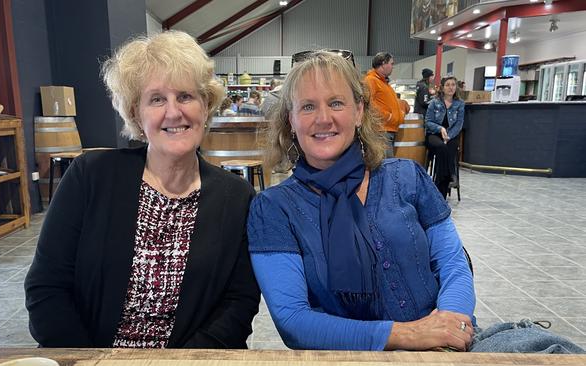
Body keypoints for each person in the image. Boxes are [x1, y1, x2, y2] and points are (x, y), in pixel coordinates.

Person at [247, 50, 584, 354]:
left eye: (336, 103)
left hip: (446, 344)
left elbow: (453, 263)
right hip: (348, 357)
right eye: (308, 106)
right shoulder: (274, 209)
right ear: (290, 119)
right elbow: (293, 321)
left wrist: (450, 324)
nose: (323, 118)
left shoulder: (406, 176)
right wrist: (409, 335)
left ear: (360, 111)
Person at [25, 30, 260, 349]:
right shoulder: (89, 177)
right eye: (157, 99)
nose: (174, 112)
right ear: (135, 112)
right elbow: (46, 289)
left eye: (186, 96)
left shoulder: (237, 197)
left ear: (206, 106)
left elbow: (238, 305)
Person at [425, 76, 463, 198]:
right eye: (448, 85)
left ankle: (440, 189)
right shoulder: (434, 103)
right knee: (441, 147)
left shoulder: (460, 104)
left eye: (453, 84)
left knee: (450, 147)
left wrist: (449, 136)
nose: (451, 87)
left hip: (451, 136)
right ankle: (449, 177)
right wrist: (440, 129)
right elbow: (428, 122)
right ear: (442, 87)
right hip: (434, 134)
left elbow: (459, 124)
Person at [364, 52, 404, 158]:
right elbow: (368, 103)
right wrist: (387, 116)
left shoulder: (383, 83)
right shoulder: (371, 80)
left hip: (388, 130)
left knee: (387, 165)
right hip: (381, 131)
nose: (393, 67)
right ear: (383, 64)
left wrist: (399, 113)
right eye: (391, 63)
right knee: (386, 166)